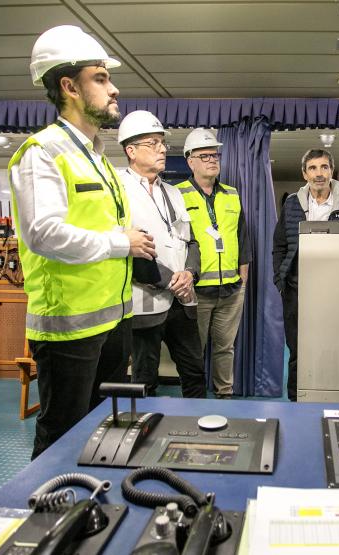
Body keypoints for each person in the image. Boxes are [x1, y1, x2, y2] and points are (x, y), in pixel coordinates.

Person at [9, 25, 155, 458]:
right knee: (61, 436)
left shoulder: (96, 156)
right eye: (101, 78)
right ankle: (49, 516)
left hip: (111, 321)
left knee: (103, 430)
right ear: (69, 86)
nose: (114, 89)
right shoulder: (44, 152)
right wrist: (121, 243)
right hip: (69, 327)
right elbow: (43, 233)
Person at [118, 111, 207, 399]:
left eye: (162, 143)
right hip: (145, 302)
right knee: (145, 378)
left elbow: (191, 242)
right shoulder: (118, 190)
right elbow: (128, 250)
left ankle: (199, 434)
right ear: (131, 151)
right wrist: (171, 280)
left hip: (183, 299)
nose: (161, 149)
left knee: (194, 372)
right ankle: (145, 438)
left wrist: (190, 274)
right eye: (152, 143)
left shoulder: (173, 192)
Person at [273, 149, 339, 401]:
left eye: (324, 167)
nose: (319, 174)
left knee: (335, 345)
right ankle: (295, 399)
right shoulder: (292, 203)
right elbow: (279, 245)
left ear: (331, 171)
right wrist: (280, 281)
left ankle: (333, 396)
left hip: (336, 290)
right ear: (304, 173)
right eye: (312, 168)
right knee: (298, 349)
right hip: (296, 289)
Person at [174, 129, 251, 399]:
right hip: (196, 292)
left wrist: (244, 276)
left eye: (215, 155)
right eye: (204, 155)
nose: (212, 160)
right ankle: (195, 401)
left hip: (231, 289)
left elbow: (242, 235)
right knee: (195, 350)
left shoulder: (232, 194)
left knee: (225, 348)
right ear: (190, 161)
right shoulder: (176, 194)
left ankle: (225, 395)